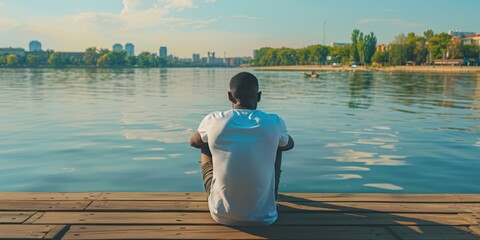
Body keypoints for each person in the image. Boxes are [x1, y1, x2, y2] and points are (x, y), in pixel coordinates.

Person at [189, 72, 294, 226]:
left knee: (205, 145)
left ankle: (218, 195)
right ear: (258, 96)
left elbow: (193, 141)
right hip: (265, 217)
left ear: (230, 96)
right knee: (278, 145)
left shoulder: (214, 119)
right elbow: (289, 144)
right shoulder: (273, 121)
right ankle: (272, 196)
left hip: (221, 215)